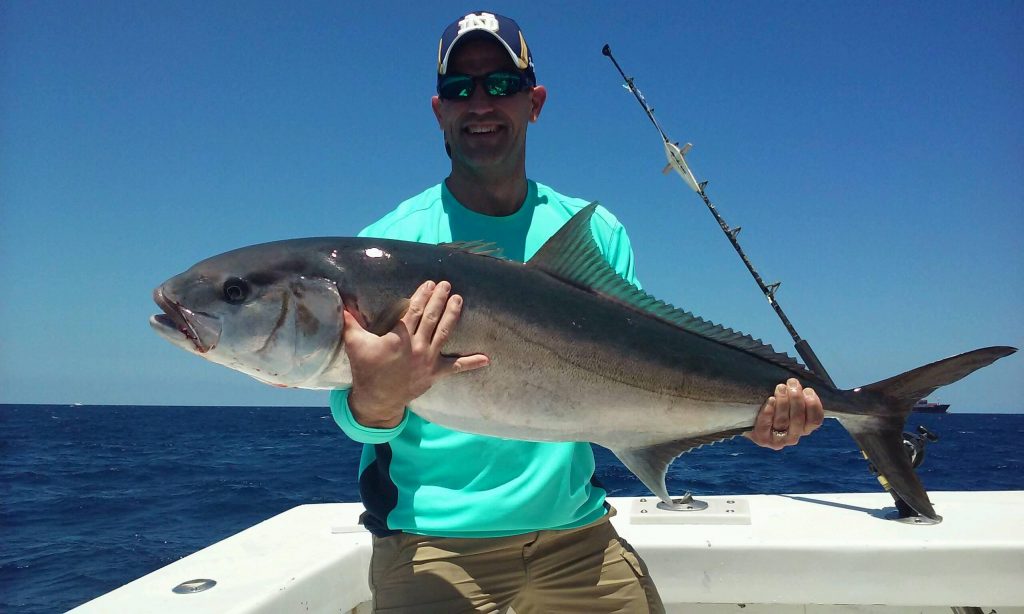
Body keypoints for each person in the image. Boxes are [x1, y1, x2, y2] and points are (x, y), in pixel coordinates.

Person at [330, 11, 824, 613]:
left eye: (502, 86)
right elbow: (349, 409)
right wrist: (377, 397)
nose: (480, 103)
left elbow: (646, 369)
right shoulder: (387, 248)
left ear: (534, 102)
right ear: (439, 111)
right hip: (433, 542)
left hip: (578, 536)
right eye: (460, 89)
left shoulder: (593, 232)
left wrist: (754, 414)